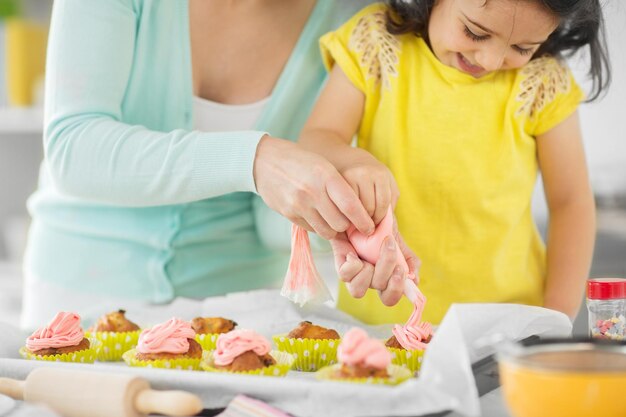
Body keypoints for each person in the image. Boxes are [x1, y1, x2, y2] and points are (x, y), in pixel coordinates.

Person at [21, 0, 399, 330]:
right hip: (78, 298)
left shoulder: (345, 22)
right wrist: (254, 159)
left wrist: (336, 217)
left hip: (237, 316)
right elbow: (74, 149)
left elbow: (268, 219)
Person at [299, 0, 611, 324]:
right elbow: (318, 138)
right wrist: (352, 161)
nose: (490, 60)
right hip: (377, 323)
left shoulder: (543, 81)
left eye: (522, 47)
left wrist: (556, 316)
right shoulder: (375, 42)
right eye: (475, 33)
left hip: (504, 328)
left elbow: (570, 202)